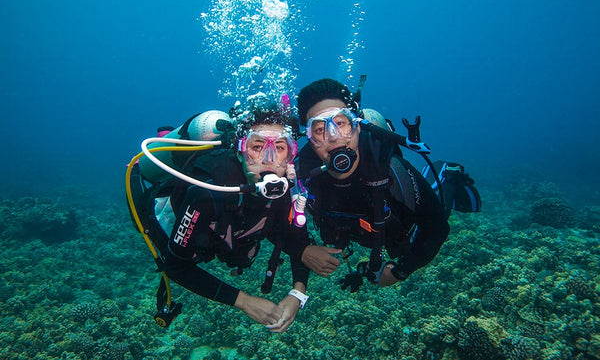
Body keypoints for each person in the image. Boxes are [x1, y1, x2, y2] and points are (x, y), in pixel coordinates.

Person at [126, 93, 310, 332]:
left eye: (280, 147)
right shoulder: (206, 193)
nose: (269, 159)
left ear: (291, 155)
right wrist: (245, 302)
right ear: (239, 151)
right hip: (164, 223)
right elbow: (175, 266)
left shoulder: (285, 190)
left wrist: (298, 293)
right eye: (256, 147)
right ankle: (165, 146)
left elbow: (298, 240)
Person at [296, 78, 481, 292]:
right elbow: (277, 220)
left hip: (400, 227)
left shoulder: (392, 169)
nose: (334, 137)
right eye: (319, 129)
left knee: (439, 204)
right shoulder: (301, 175)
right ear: (308, 138)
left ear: (357, 126)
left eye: (341, 123)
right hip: (359, 231)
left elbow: (437, 228)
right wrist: (303, 249)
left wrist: (401, 270)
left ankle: (447, 175)